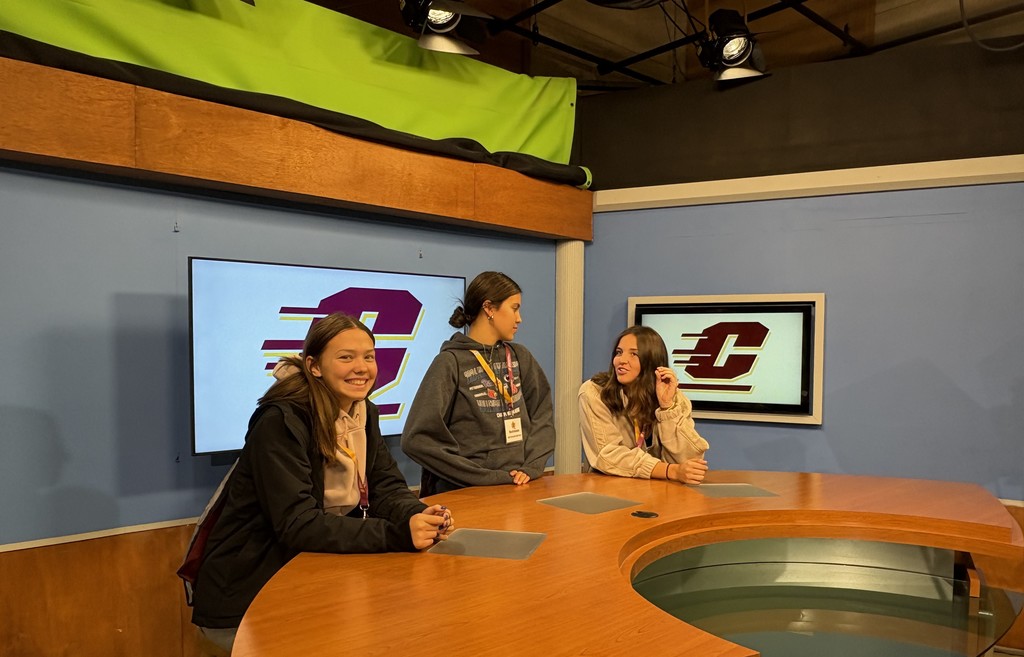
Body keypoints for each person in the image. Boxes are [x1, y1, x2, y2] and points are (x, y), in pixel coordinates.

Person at [190, 313, 454, 651]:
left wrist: (419, 516)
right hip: (248, 596)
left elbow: (385, 486)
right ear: (314, 366)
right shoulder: (281, 421)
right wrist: (398, 534)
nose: (362, 367)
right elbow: (298, 523)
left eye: (368, 356)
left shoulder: (364, 410)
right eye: (346, 357)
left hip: (310, 580)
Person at [401, 271, 555, 497]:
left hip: (519, 486)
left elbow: (543, 414)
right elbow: (417, 439)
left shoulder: (520, 356)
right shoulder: (450, 362)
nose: (519, 318)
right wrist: (483, 476)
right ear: (490, 308)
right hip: (468, 492)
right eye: (514, 308)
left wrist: (531, 467)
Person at [579, 325, 709, 484]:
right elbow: (608, 455)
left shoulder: (672, 396)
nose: (622, 360)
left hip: (662, 491)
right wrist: (669, 470)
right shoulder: (594, 393)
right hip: (613, 489)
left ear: (651, 360)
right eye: (619, 353)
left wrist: (667, 408)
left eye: (633, 354)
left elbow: (689, 462)